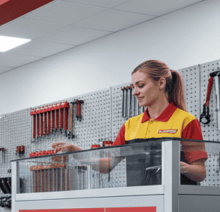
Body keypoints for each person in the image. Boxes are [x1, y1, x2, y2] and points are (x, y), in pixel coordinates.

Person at [53, 60, 207, 185]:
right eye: (133, 87)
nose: (135, 92)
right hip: (140, 207)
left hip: (174, 204)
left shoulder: (186, 121)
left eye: (140, 86)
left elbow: (200, 173)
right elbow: (107, 165)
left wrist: (183, 168)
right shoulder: (130, 126)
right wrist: (76, 151)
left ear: (161, 83)